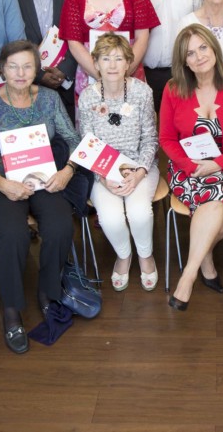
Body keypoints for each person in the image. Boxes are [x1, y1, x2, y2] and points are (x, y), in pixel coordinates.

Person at [0, 41, 80, 354]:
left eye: (27, 66)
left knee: (61, 226)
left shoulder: (48, 99)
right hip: (0, 182)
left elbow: (73, 140)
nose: (20, 73)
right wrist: (3, 184)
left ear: (37, 70)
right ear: (2, 69)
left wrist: (67, 172)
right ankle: (11, 309)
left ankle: (48, 292)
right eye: (13, 66)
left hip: (45, 177)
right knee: (13, 234)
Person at [159, 24, 223, 311]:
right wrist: (191, 166)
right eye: (190, 53)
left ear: (214, 48)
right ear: (184, 61)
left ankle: (187, 276)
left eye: (203, 47)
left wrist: (219, 164)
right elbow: (166, 138)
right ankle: (204, 263)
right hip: (186, 168)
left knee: (217, 201)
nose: (199, 56)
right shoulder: (173, 89)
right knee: (222, 218)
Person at [76, 34, 160, 292]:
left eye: (119, 58)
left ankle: (145, 255)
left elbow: (150, 139)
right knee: (111, 218)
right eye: (105, 58)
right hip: (103, 170)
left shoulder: (142, 92)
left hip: (140, 166)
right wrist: (103, 176)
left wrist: (137, 173)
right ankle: (124, 255)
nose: (112, 65)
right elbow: (87, 144)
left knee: (139, 213)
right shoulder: (87, 98)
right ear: (96, 64)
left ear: (128, 63)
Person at [6, 0, 79, 118]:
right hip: (28, 85)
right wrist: (38, 74)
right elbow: (10, 40)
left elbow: (79, 32)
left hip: (65, 84)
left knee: (68, 141)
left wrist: (65, 69)